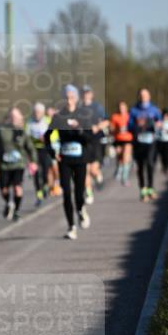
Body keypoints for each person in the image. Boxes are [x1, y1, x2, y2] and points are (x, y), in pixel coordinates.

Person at [45, 85, 94, 240]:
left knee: (79, 194)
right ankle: (71, 227)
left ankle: (81, 210)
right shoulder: (59, 116)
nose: (69, 100)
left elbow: (89, 138)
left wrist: (79, 129)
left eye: (72, 97)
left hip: (80, 159)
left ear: (76, 99)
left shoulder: (83, 115)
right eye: (66, 97)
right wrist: (53, 153)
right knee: (66, 192)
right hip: (64, 159)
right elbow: (47, 137)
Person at [0, 107, 37, 221]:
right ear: (9, 118)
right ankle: (8, 203)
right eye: (12, 117)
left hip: (18, 165)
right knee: (4, 190)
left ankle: (16, 210)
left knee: (17, 188)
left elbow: (30, 148)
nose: (15, 119)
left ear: (20, 118)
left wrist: (33, 162)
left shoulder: (22, 132)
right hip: (4, 165)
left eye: (17, 117)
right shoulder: (1, 131)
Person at [129, 88, 162, 201]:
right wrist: (137, 125)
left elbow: (159, 122)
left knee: (150, 163)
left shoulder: (154, 109)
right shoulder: (133, 110)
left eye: (145, 95)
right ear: (139, 96)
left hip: (151, 141)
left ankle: (151, 188)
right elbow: (129, 126)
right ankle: (143, 189)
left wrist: (155, 124)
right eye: (141, 95)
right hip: (138, 142)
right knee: (141, 166)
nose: (143, 97)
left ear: (149, 96)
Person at [81, 85, 108, 202]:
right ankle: (88, 192)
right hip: (83, 141)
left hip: (96, 141)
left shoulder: (97, 107)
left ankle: (98, 177)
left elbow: (107, 121)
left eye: (88, 92)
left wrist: (97, 127)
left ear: (91, 94)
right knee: (84, 169)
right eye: (84, 93)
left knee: (93, 169)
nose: (86, 95)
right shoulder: (79, 108)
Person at [26, 102, 51, 205]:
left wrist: (45, 139)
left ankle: (45, 186)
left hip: (45, 149)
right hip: (34, 151)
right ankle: (39, 194)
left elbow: (55, 135)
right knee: (36, 173)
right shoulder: (29, 123)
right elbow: (26, 138)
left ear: (43, 113)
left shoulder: (48, 121)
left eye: (39, 112)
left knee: (45, 171)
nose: (37, 114)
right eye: (35, 112)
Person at [109, 101, 134, 186]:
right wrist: (117, 130)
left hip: (128, 139)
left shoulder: (130, 116)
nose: (121, 109)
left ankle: (125, 177)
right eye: (120, 107)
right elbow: (111, 129)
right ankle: (119, 169)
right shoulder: (114, 116)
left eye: (123, 107)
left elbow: (134, 126)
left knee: (126, 156)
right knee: (119, 156)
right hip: (118, 139)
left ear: (126, 107)